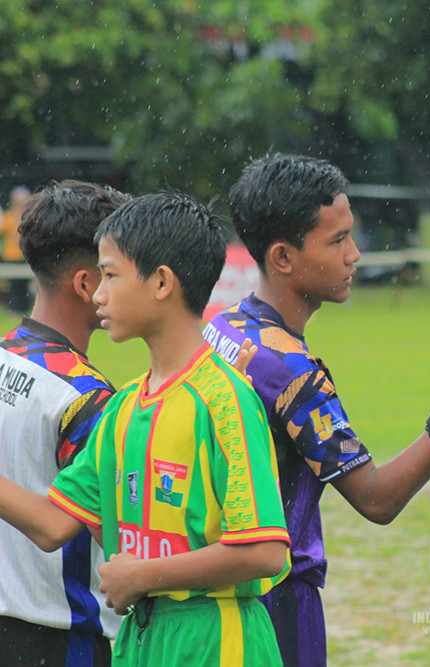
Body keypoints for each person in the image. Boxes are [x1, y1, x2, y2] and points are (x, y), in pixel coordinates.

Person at [202, 154, 430, 667]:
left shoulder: (222, 328)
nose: (354, 254)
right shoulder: (293, 371)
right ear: (283, 257)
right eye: (337, 241)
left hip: (217, 590)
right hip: (278, 598)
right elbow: (377, 500)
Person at [0, 193, 291, 666]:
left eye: (110, 275)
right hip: (141, 639)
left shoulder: (224, 400)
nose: (97, 294)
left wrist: (145, 575)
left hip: (214, 640)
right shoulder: (123, 408)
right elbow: (54, 524)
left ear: (161, 283)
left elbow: (264, 551)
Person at [0, 181, 129, 666]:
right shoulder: (88, 399)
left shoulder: (5, 350)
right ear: (85, 283)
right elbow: (119, 537)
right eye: (115, 270)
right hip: (58, 638)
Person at [2, 185, 33, 313]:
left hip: (24, 256)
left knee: (24, 286)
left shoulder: (30, 217)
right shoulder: (8, 216)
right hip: (11, 257)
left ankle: (23, 309)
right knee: (14, 286)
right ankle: (15, 309)